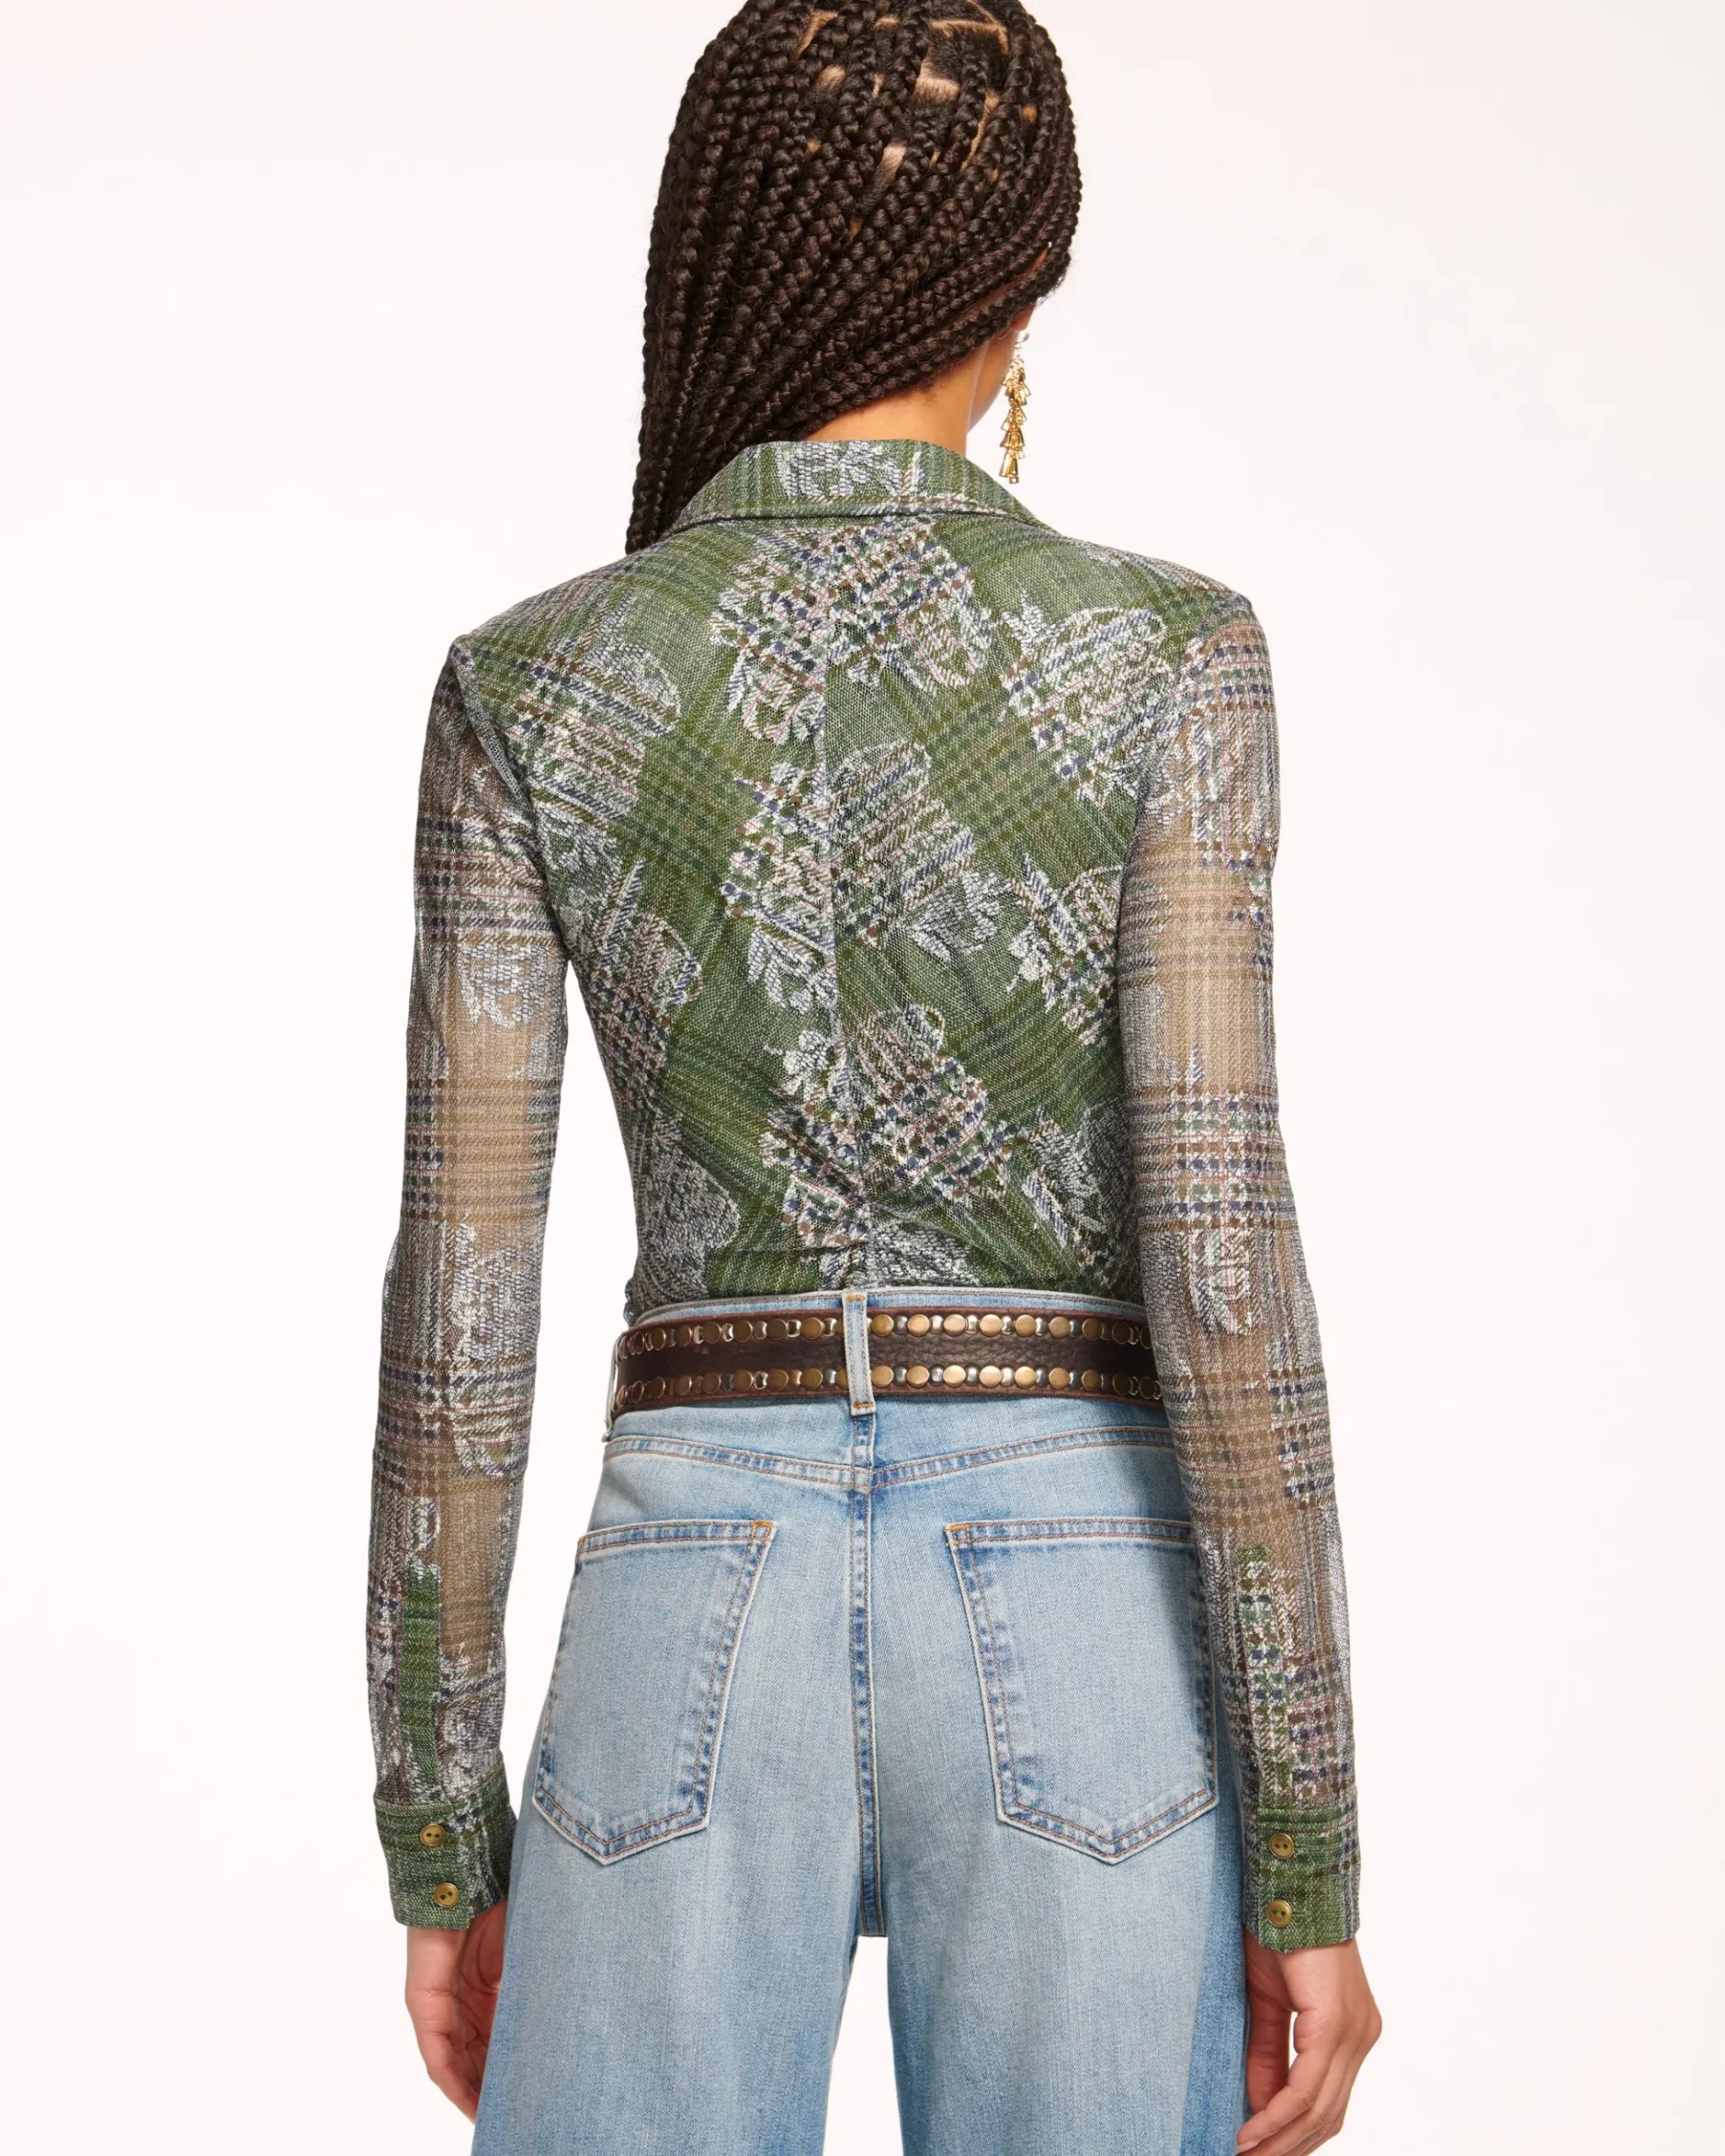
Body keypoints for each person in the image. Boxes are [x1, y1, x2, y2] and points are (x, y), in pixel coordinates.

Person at [366, 4, 1381, 2150]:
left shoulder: (533, 678)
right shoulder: (1167, 654)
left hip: (684, 1585)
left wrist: (438, 1838)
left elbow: (460, 1299)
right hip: (1082, 1587)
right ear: (1018, 291)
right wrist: (1307, 1854)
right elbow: (1218, 1261)